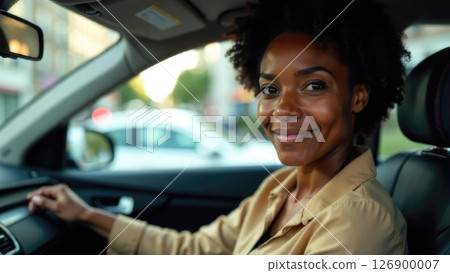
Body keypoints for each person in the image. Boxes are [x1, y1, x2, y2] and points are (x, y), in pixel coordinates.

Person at [27, 0, 409, 254]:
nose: (283, 110)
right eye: (270, 89)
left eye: (314, 85)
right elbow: (194, 250)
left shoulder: (359, 221)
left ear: (358, 95)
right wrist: (86, 214)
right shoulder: (279, 188)